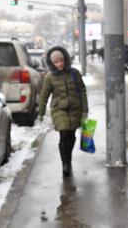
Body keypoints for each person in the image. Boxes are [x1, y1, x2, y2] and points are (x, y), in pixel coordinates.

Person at [38, 46, 88, 177]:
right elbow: (44, 95)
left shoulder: (74, 73)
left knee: (71, 136)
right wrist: (40, 112)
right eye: (56, 62)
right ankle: (65, 163)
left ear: (65, 59)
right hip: (59, 109)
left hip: (75, 108)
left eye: (61, 61)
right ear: (52, 63)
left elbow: (82, 91)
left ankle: (68, 159)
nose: (59, 64)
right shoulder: (49, 77)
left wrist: (85, 110)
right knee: (64, 133)